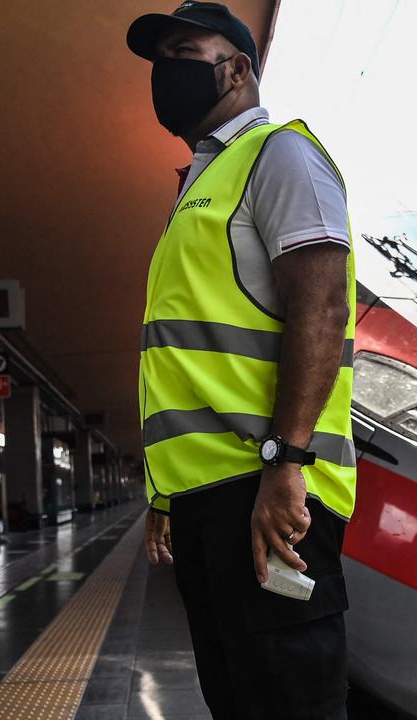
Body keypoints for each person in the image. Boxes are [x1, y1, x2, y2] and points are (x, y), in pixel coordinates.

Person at [128, 4, 357, 718]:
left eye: (183, 50)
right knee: (238, 700)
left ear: (235, 68)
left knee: (290, 699)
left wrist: (288, 462)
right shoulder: (200, 184)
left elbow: (320, 309)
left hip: (266, 484)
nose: (167, 69)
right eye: (160, 56)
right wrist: (164, 495)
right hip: (210, 498)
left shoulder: (280, 154)